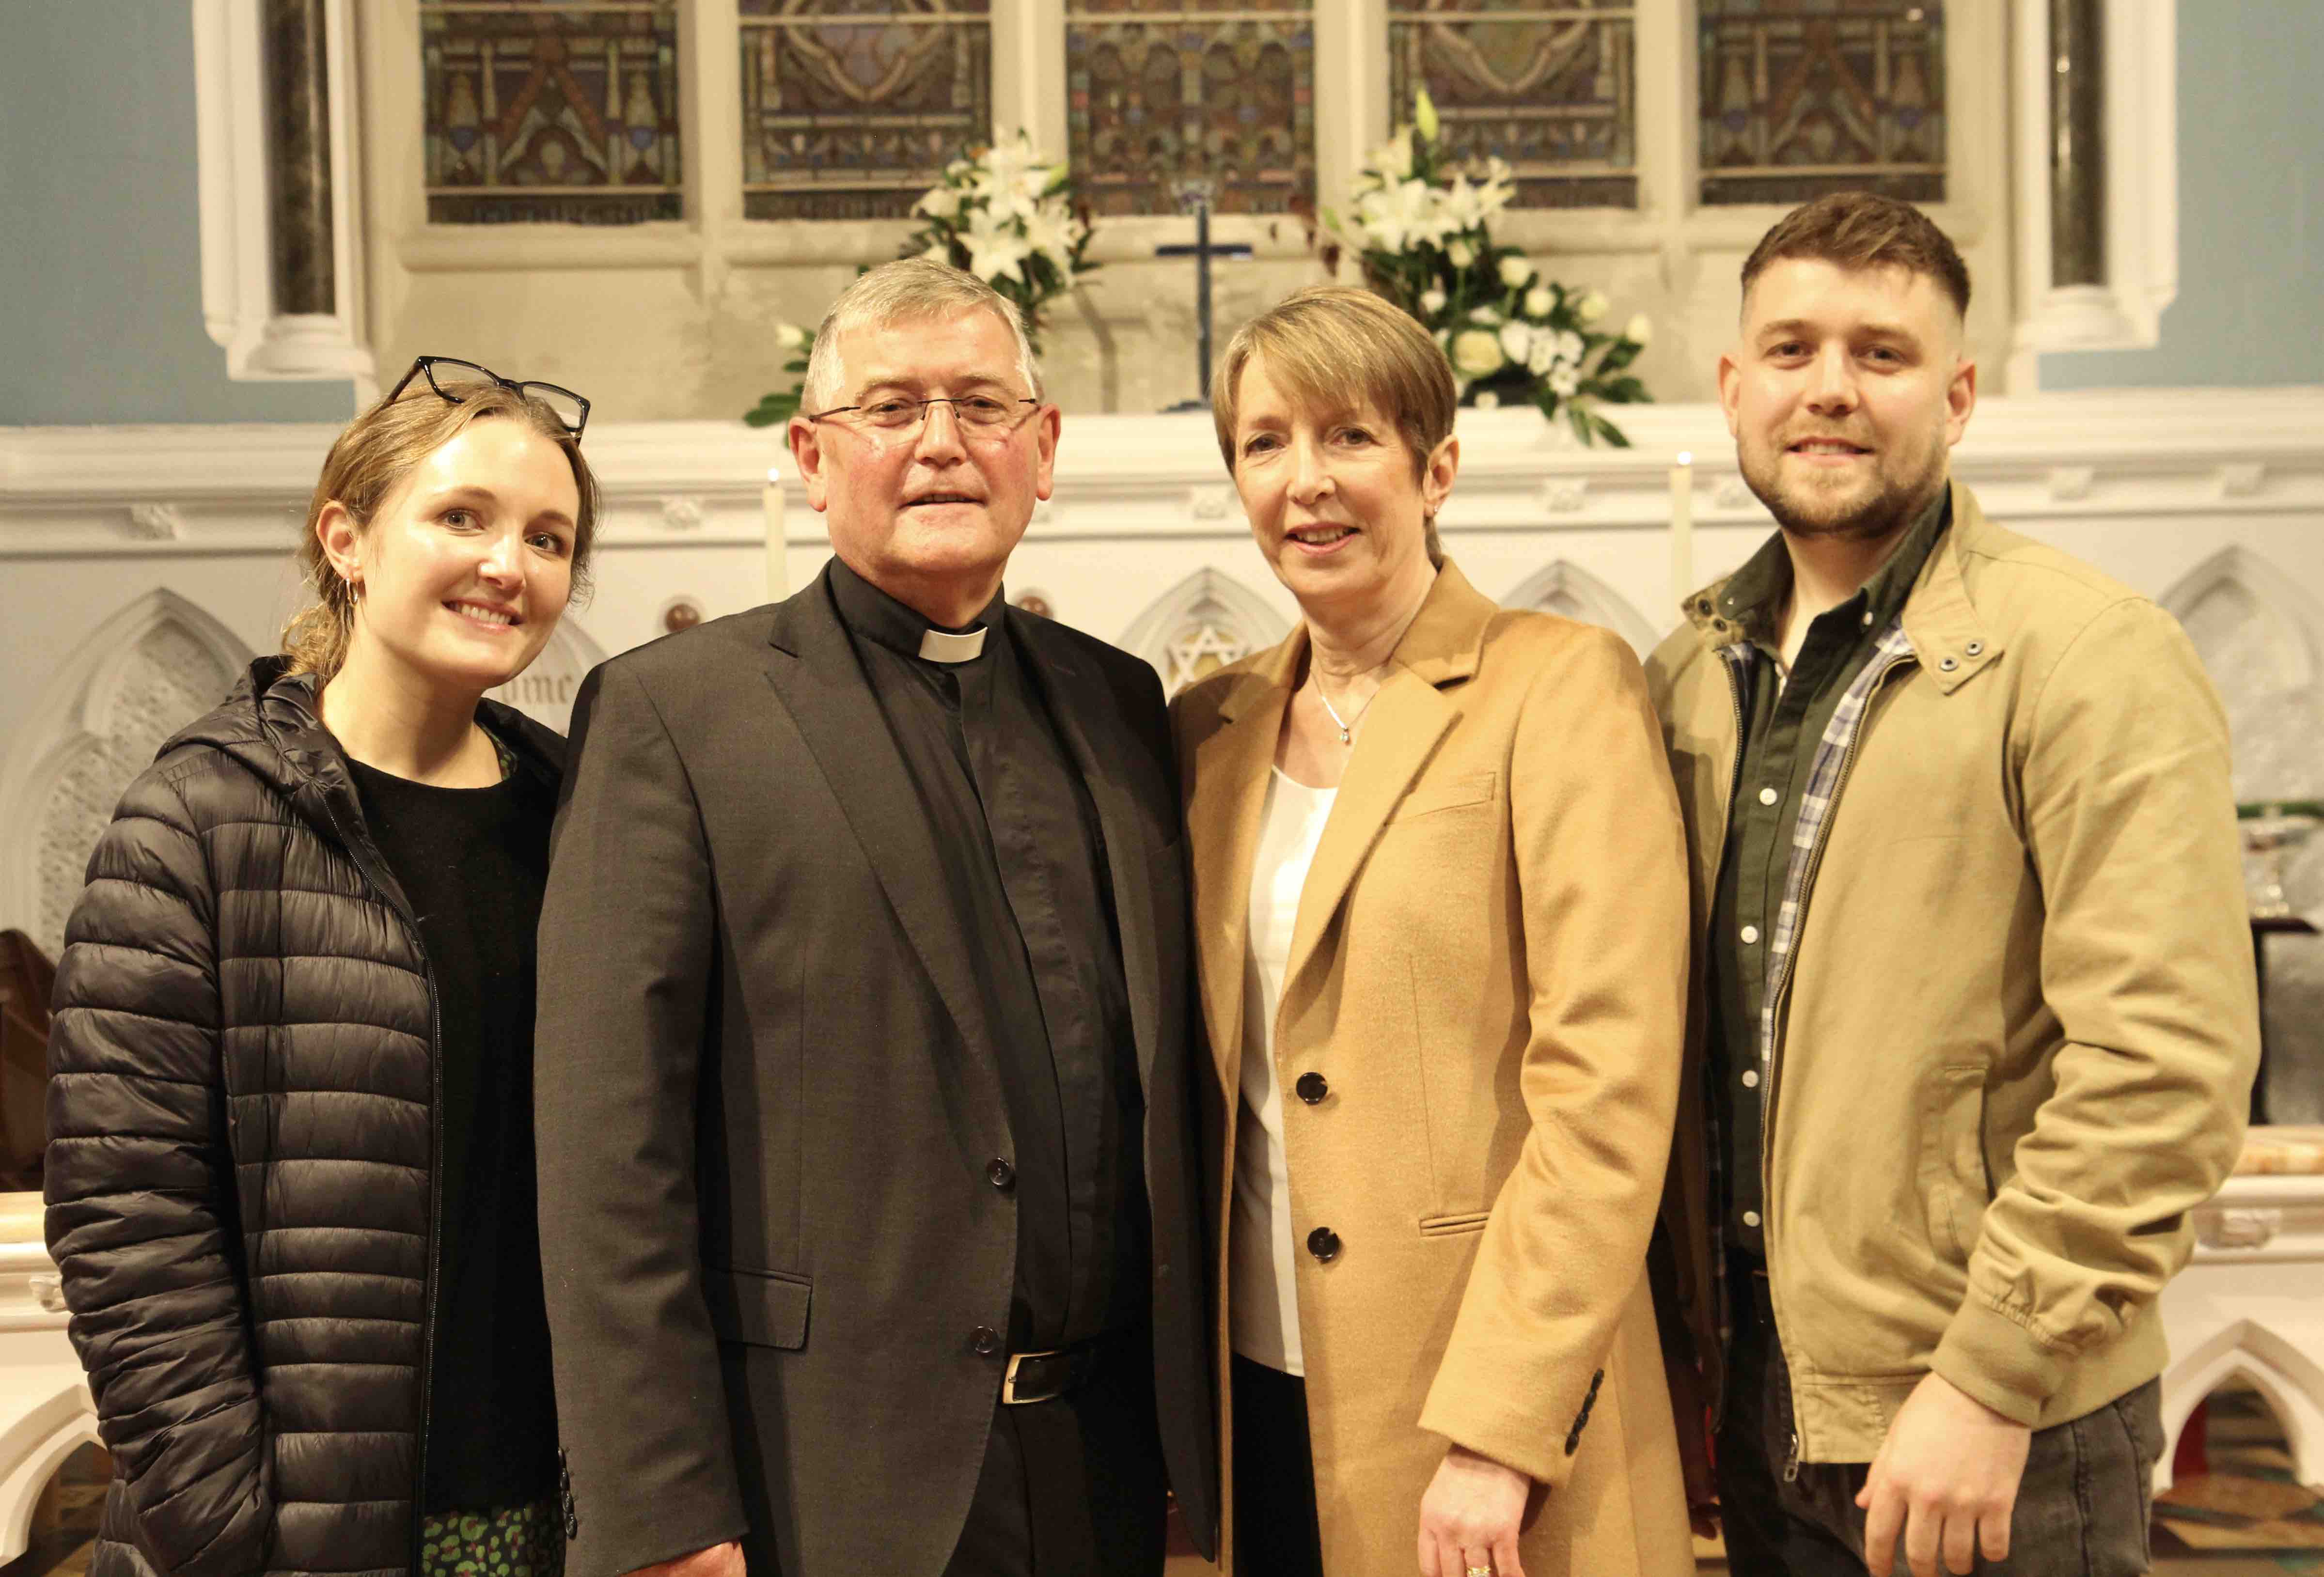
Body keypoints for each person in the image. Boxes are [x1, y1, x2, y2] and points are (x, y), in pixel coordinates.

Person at [533, 258, 1217, 1577]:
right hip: (821, 1479)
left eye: (980, 405)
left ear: (1045, 445)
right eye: (890, 409)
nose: (942, 446)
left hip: (1100, 1464)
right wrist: (661, 1512)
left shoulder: (1119, 704)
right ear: (810, 453)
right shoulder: (678, 713)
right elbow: (608, 1148)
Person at [1647, 192, 2259, 1577]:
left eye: (1881, 354)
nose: (1830, 392)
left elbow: (2165, 1062)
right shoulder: (1688, 674)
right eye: (1792, 350)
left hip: (1995, 1427)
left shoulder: (2087, 654)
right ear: (1734, 386)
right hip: (1763, 1406)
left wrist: (1991, 1372)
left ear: (1959, 393)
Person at [1172, 284, 1695, 1577]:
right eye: (1265, 442)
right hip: (1262, 1399)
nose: (1306, 483)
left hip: (1488, 1404)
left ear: (1436, 465)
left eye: (1349, 437)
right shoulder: (1204, 730)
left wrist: (1499, 1429)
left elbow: (1606, 1088)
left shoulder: (1559, 685)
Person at [44, 357, 598, 1577]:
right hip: (293, 1535)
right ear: (346, 537)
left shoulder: (587, 816)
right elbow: (124, 1212)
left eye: (550, 538)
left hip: (552, 1513)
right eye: (464, 517)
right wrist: (229, 1520)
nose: (511, 564)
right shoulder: (194, 819)